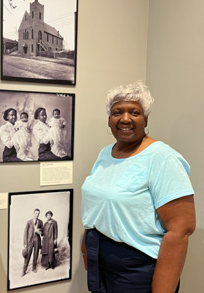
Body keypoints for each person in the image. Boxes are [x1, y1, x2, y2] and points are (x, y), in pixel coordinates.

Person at [81, 80, 195, 293]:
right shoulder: (106, 153)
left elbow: (180, 231)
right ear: (109, 120)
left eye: (134, 112)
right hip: (101, 265)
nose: (125, 119)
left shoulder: (162, 158)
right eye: (117, 113)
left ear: (146, 118)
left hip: (137, 271)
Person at [23, 209, 43, 276]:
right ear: (33, 214)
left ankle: (34, 267)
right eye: (36, 213)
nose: (37, 215)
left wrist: (39, 230)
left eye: (38, 213)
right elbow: (25, 233)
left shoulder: (40, 222)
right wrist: (25, 243)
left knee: (36, 254)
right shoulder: (29, 222)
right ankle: (24, 270)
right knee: (27, 255)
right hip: (30, 240)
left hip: (37, 239)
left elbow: (42, 232)